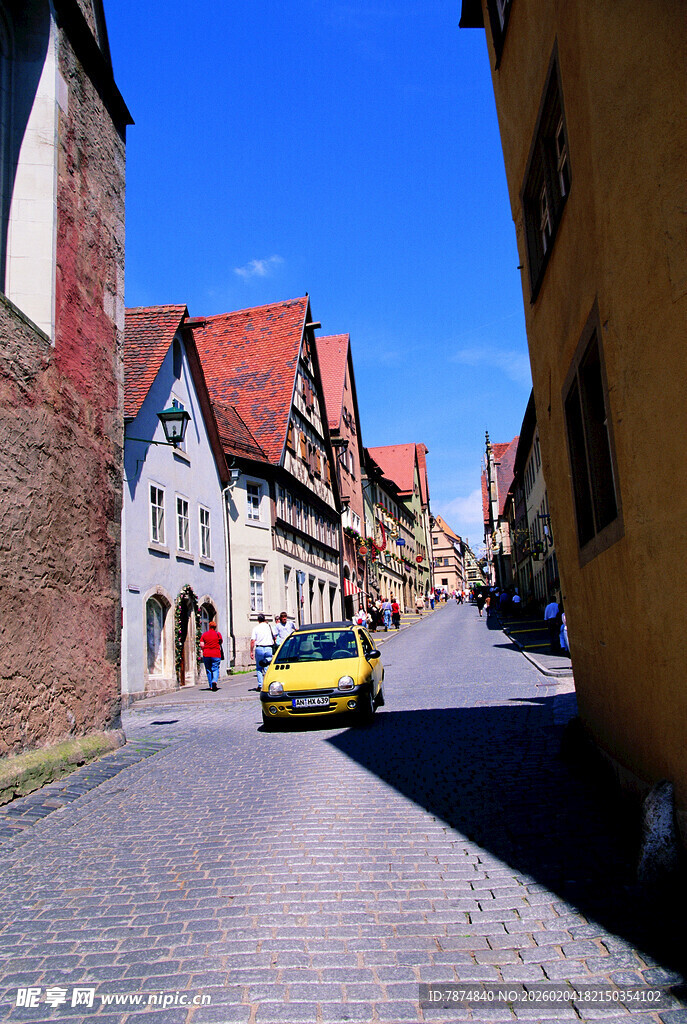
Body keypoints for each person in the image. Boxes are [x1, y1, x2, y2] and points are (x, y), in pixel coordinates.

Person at [250, 613, 276, 689]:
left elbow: (253, 640)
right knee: (267, 667)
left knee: (259, 667)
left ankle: (260, 685)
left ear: (258, 620)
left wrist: (251, 651)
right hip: (269, 648)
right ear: (264, 619)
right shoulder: (269, 627)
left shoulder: (256, 628)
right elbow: (275, 636)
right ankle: (268, 684)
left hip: (259, 648)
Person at [199, 619, 223, 691]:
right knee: (215, 668)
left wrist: (205, 650)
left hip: (207, 654)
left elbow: (202, 645)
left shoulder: (204, 634)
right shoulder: (218, 634)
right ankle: (214, 681)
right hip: (216, 654)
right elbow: (220, 642)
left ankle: (211, 686)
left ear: (209, 627)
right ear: (215, 627)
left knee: (208, 670)